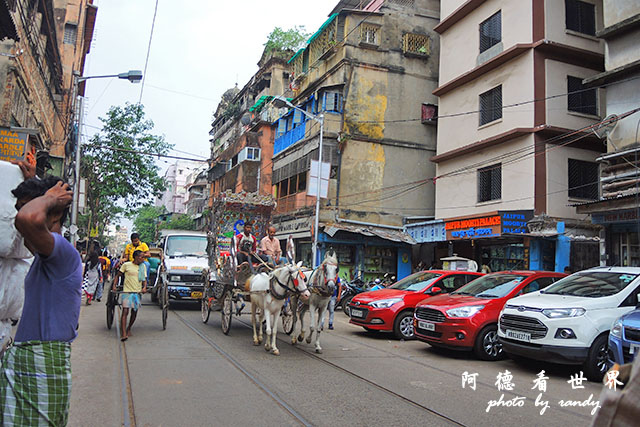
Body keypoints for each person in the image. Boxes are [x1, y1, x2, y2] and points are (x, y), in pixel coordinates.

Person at [1, 177, 81, 426]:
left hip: (41, 365)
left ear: (54, 215)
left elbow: (28, 220)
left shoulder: (63, 252)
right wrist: (31, 180)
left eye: (29, 206)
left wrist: (49, 199)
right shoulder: (44, 259)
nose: (19, 224)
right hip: (31, 363)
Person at [114, 250, 147, 341]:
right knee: (125, 311)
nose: (143, 259)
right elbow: (118, 275)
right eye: (141, 257)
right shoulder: (126, 265)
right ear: (136, 257)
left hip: (137, 292)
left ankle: (129, 328)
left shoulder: (143, 266)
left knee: (134, 312)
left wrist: (144, 287)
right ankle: (124, 333)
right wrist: (114, 285)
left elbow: (144, 279)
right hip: (127, 292)